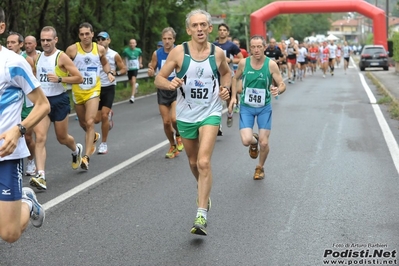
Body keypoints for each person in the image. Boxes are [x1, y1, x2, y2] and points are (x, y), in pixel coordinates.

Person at [154, 9, 231, 236]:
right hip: (187, 115)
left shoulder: (217, 54)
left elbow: (227, 74)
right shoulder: (179, 53)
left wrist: (225, 88)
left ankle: (201, 212)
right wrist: (169, 84)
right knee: (193, 162)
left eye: (203, 25)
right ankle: (204, 189)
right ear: (189, 30)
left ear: (210, 28)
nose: (199, 29)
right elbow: (159, 78)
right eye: (195, 25)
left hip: (210, 112)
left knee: (204, 162)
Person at [0, 7, 50, 243]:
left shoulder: (13, 63)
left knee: (9, 234)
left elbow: (42, 105)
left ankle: (27, 202)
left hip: (6, 155)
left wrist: (19, 129)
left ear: (0, 28)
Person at [29, 26, 84, 190]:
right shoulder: (37, 58)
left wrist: (60, 79)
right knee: (39, 138)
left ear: (55, 40)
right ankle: (41, 176)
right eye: (43, 40)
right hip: (43, 102)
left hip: (59, 100)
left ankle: (76, 150)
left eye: (48, 40)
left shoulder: (62, 57)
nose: (45, 43)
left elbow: (79, 78)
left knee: (62, 138)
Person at [229, 35, 286, 180]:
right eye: (253, 47)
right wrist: (234, 97)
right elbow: (235, 78)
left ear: (264, 47)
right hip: (247, 107)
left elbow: (281, 83)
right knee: (246, 141)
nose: (256, 50)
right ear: (250, 48)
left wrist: (278, 90)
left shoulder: (271, 64)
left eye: (259, 46)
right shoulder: (243, 63)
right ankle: (253, 143)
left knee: (264, 142)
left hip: (263, 108)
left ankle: (260, 167)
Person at [66, 22, 115, 170]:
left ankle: (86, 157)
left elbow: (105, 63)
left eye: (87, 34)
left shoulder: (99, 49)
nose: (85, 37)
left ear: (92, 34)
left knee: (90, 122)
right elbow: (62, 65)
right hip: (78, 91)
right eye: (82, 34)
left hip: (93, 90)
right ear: (79, 36)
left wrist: (109, 72)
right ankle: (93, 136)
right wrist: (65, 74)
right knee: (83, 123)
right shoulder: (72, 50)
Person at [148, 27, 184, 158]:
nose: (167, 41)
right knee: (166, 122)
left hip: (176, 89)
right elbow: (152, 67)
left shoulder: (179, 52)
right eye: (164, 39)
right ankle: (172, 144)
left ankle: (179, 135)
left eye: (169, 39)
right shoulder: (157, 53)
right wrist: (151, 71)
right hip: (163, 90)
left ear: (174, 39)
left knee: (174, 119)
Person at [7, 32, 37, 176]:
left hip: (26, 104)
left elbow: (33, 82)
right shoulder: (4, 60)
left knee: (27, 137)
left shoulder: (27, 60)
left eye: (13, 42)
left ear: (20, 44)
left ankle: (31, 160)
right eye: (8, 43)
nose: (10, 45)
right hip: (12, 105)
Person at [95, 31, 127, 154]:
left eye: (103, 39)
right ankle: (108, 116)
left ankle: (103, 143)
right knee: (96, 120)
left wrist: (116, 73)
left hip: (109, 87)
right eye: (98, 39)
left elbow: (123, 68)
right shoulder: (93, 54)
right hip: (96, 88)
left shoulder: (114, 55)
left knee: (103, 116)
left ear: (109, 40)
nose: (101, 41)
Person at [213, 23, 243, 130]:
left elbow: (241, 58)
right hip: (215, 76)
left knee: (228, 98)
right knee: (215, 99)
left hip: (228, 75)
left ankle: (229, 113)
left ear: (227, 32)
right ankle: (217, 125)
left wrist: (230, 60)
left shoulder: (232, 46)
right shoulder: (213, 46)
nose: (222, 31)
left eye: (224, 30)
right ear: (218, 32)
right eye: (220, 30)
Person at [122, 39, 143, 103]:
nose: (132, 45)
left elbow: (140, 57)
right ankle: (135, 85)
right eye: (131, 43)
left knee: (133, 80)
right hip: (129, 68)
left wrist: (140, 63)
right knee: (131, 82)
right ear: (129, 44)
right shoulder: (126, 51)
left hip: (135, 68)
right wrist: (124, 66)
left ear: (135, 44)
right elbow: (123, 59)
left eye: (133, 43)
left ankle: (132, 97)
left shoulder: (138, 50)